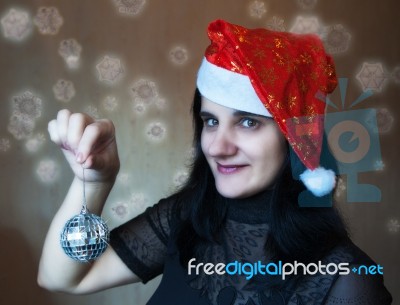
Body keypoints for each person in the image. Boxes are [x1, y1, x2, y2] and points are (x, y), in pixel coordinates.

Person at [38, 20, 392, 305]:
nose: (217, 147)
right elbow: (62, 277)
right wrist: (95, 182)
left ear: (297, 137)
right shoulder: (187, 217)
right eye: (210, 121)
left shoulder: (347, 280)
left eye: (248, 122)